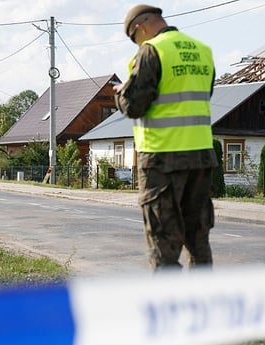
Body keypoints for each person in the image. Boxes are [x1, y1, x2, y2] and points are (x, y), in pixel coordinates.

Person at [114, 4, 218, 271]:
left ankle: (169, 308)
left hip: (162, 160)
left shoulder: (152, 51)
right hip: (201, 157)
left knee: (163, 244)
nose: (136, 44)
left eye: (133, 38)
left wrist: (120, 93)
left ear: (141, 27)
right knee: (199, 241)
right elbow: (202, 96)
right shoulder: (203, 51)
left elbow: (135, 105)